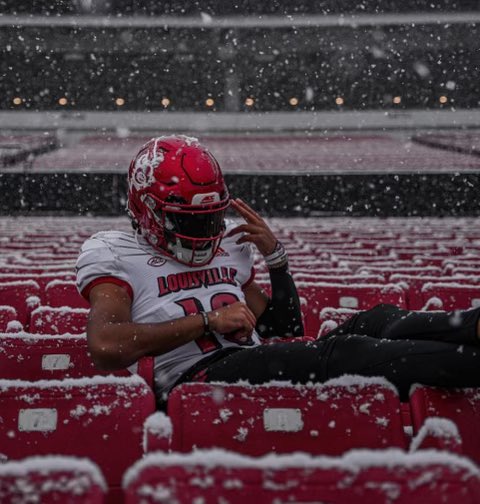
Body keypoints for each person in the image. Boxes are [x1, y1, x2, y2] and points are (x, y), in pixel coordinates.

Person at [76, 135, 480, 406]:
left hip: (249, 362)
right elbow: (107, 346)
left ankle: (472, 328)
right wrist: (208, 321)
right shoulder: (115, 251)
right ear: (149, 212)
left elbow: (283, 331)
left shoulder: (228, 247)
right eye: (193, 221)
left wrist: (277, 260)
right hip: (195, 383)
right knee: (343, 355)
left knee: (377, 318)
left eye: (212, 218)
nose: (208, 232)